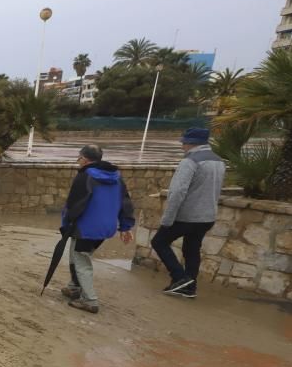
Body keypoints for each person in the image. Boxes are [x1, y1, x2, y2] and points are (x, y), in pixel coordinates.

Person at [150, 128, 225, 299]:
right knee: (192, 249)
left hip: (187, 216)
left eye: (184, 142)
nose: (182, 145)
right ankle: (190, 287)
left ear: (191, 143)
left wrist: (167, 219)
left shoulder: (190, 161)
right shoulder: (219, 161)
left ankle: (180, 278)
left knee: (159, 241)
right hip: (208, 216)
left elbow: (177, 192)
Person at [60, 145, 135, 314]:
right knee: (77, 253)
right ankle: (74, 287)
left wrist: (66, 224)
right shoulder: (117, 178)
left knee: (81, 260)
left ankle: (90, 300)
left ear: (85, 160)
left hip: (85, 227)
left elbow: (74, 204)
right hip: (106, 228)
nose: (78, 162)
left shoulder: (84, 177)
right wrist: (125, 226)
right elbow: (126, 203)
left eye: (79, 158)